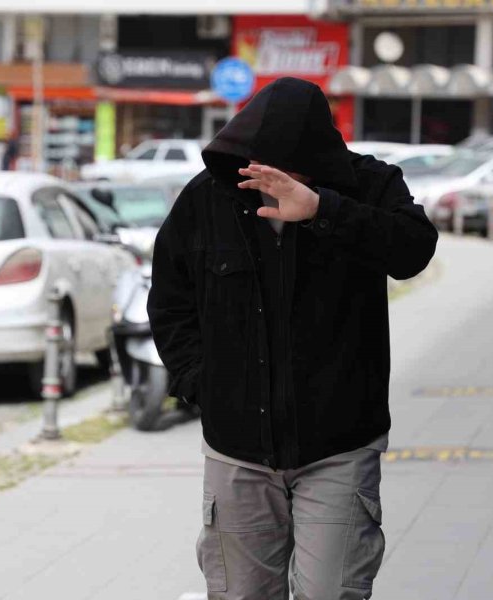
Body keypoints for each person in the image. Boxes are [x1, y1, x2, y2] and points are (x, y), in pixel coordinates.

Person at [147, 77, 437, 599]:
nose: (273, 178)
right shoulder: (207, 197)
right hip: (237, 449)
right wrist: (201, 384)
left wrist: (323, 209)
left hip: (339, 445)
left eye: (290, 168)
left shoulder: (368, 184)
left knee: (332, 592)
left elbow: (414, 251)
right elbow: (170, 299)